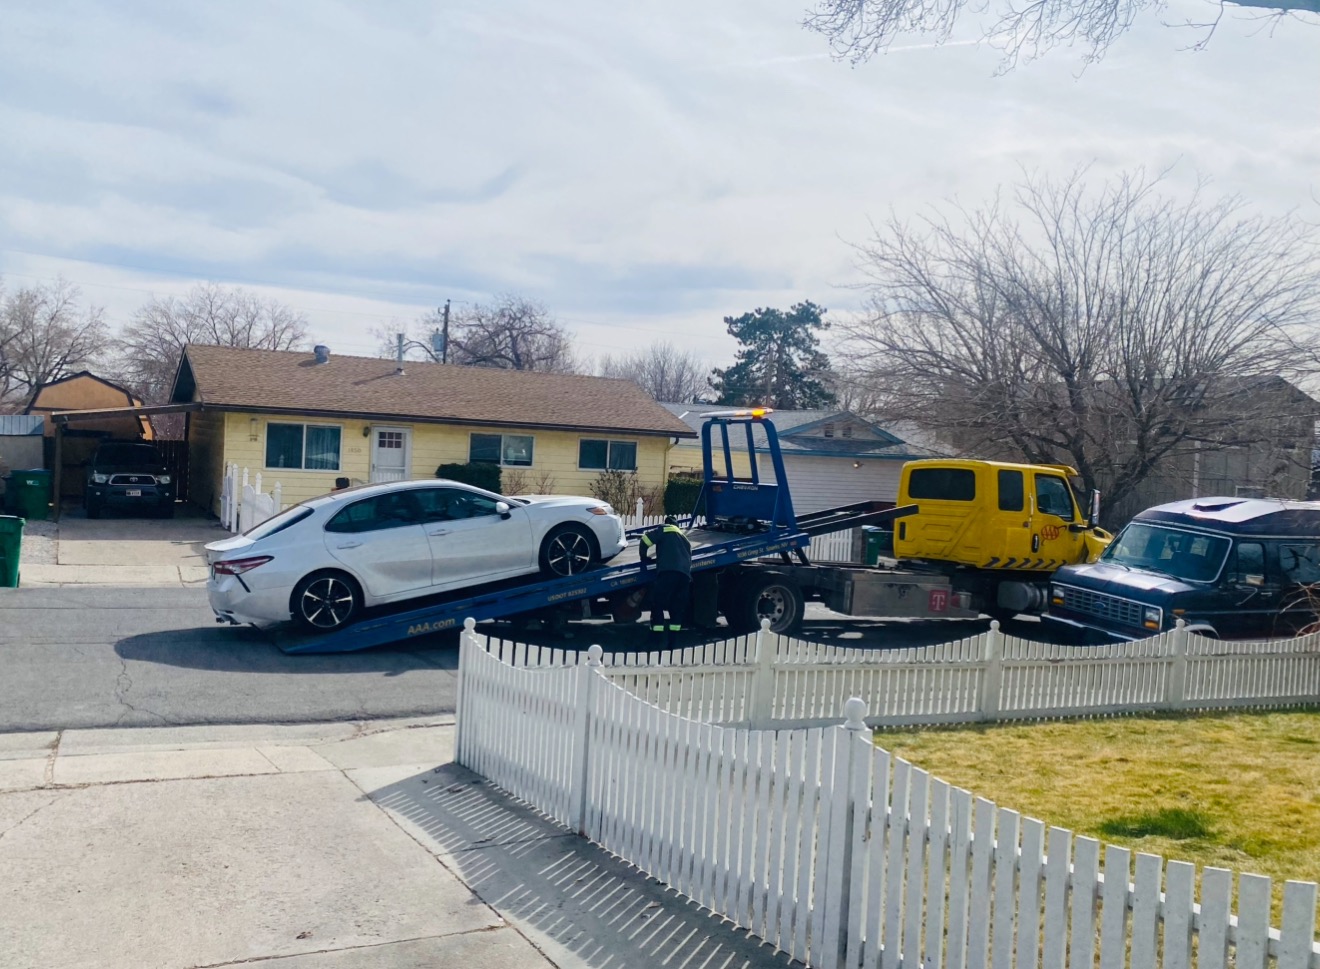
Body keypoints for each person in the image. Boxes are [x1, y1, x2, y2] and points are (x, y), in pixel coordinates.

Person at [639, 515, 692, 645]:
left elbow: (645, 540)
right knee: (676, 608)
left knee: (658, 603)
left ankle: (656, 638)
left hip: (668, 573)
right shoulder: (685, 538)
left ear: (667, 523)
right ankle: (672, 642)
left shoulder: (665, 529)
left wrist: (644, 558)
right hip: (684, 577)